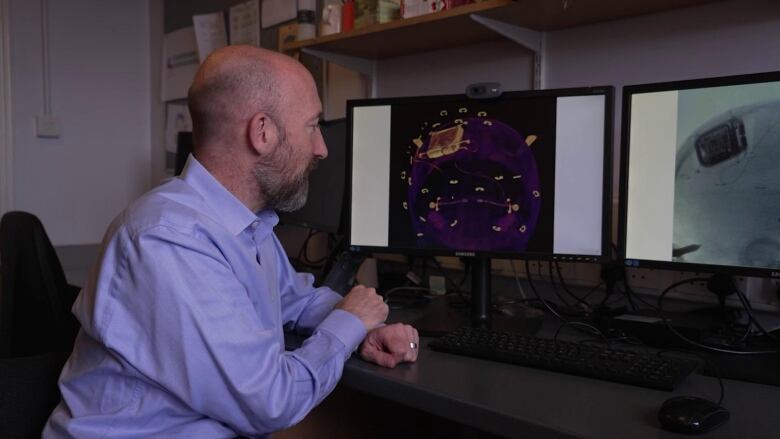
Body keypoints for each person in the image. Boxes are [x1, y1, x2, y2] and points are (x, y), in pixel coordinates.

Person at [44, 46, 419, 438]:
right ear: (262, 132)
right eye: (312, 125)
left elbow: (293, 299)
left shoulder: (245, 223)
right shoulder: (168, 240)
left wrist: (360, 327)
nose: (321, 148)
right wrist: (348, 324)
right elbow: (272, 401)